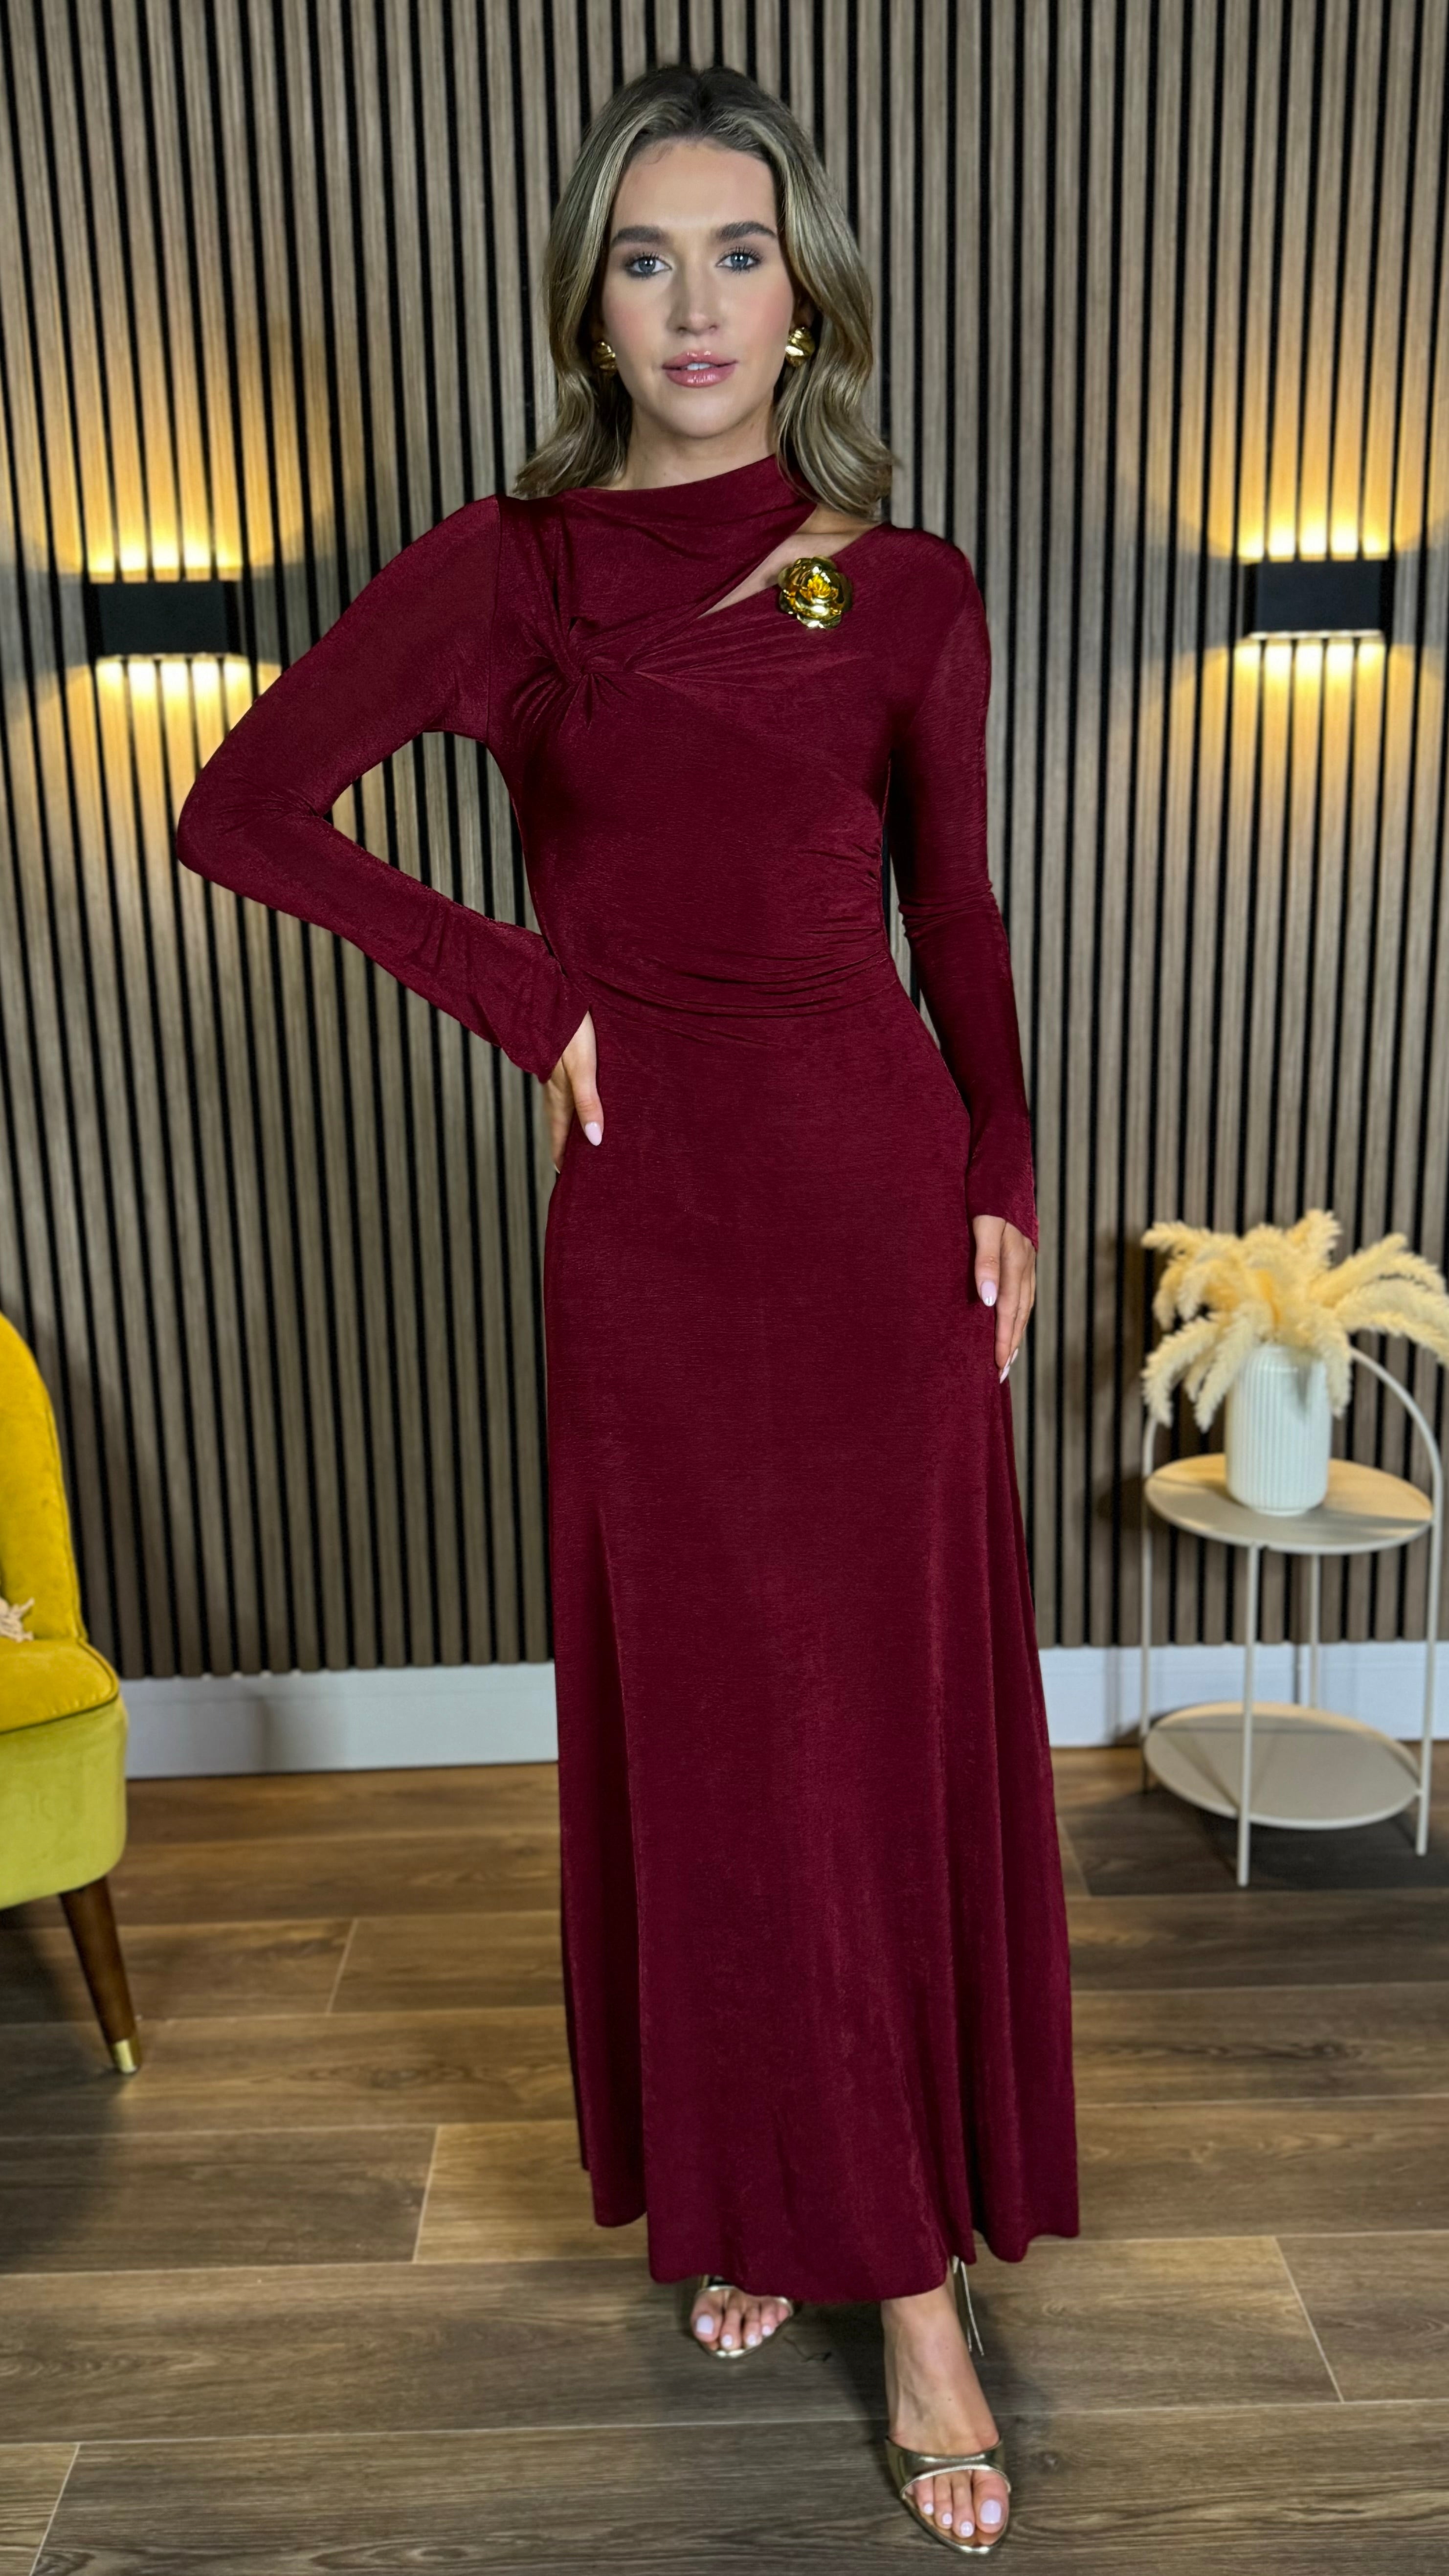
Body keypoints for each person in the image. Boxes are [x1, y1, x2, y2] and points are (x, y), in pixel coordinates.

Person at [175, 60, 1078, 2557]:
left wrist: (1004, 1165)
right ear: (591, 302)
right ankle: (763, 2181)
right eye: (646, 256)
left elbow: (955, 907)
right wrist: (530, 993)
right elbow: (240, 808)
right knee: (714, 1737)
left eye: (739, 253)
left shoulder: (907, 587)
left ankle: (908, 2284)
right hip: (653, 1224)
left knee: (865, 1733)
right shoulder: (512, 570)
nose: (695, 302)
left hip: (879, 1211)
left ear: (808, 297)